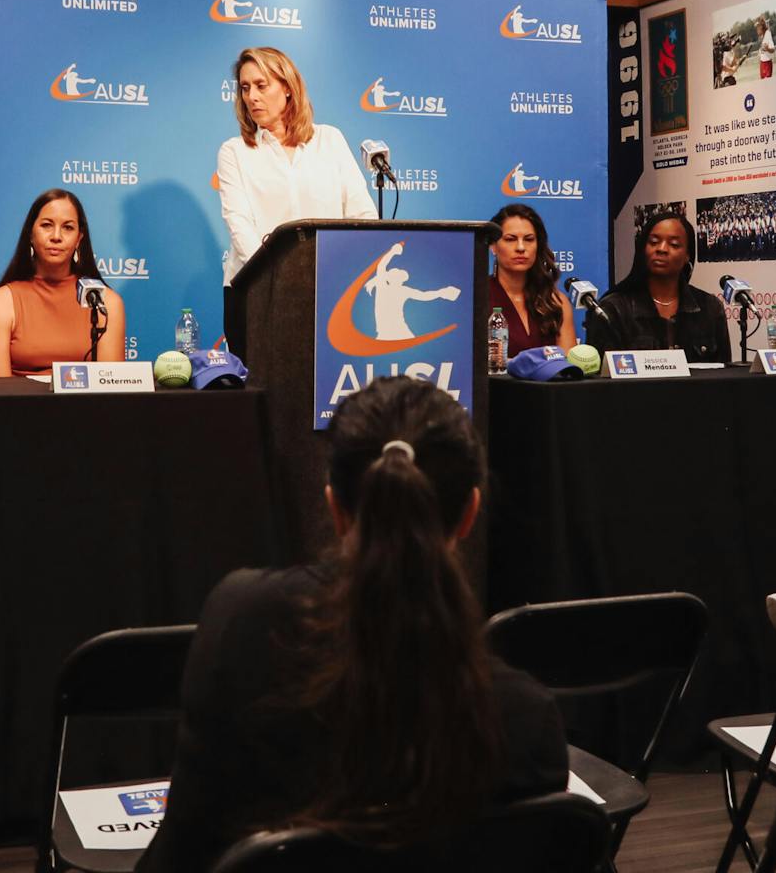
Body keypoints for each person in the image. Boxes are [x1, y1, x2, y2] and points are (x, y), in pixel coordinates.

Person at [137, 377, 568, 873]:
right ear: (470, 512)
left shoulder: (241, 621)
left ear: (334, 505)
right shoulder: (524, 719)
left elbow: (186, 844)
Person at [216, 46, 376, 283]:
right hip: (259, 286)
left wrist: (346, 269)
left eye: (261, 86)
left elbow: (362, 215)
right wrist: (278, 277)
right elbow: (240, 226)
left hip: (327, 283)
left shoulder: (329, 139)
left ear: (288, 88)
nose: (251, 97)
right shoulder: (234, 152)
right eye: (245, 88)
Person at [0, 188, 125, 376]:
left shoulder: (106, 302)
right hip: (17, 405)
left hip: (86, 406)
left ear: (79, 239)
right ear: (31, 234)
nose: (56, 236)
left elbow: (111, 391)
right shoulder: (0, 302)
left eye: (68, 227)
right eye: (47, 225)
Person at [585, 211, 731, 362]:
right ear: (643, 249)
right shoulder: (612, 310)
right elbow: (601, 382)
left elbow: (724, 377)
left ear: (688, 255)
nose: (661, 249)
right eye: (653, 242)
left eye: (674, 244)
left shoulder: (710, 308)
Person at [488, 203, 576, 358]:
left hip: (549, 382)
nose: (521, 247)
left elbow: (568, 370)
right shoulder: (476, 297)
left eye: (529, 239)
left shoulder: (556, 301)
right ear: (493, 246)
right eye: (510, 239)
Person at [755, 15, 776, 79]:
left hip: (767, 64)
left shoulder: (767, 34)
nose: (757, 30)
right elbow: (762, 49)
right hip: (762, 63)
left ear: (761, 26)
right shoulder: (762, 37)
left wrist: (767, 49)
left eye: (757, 28)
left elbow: (773, 49)